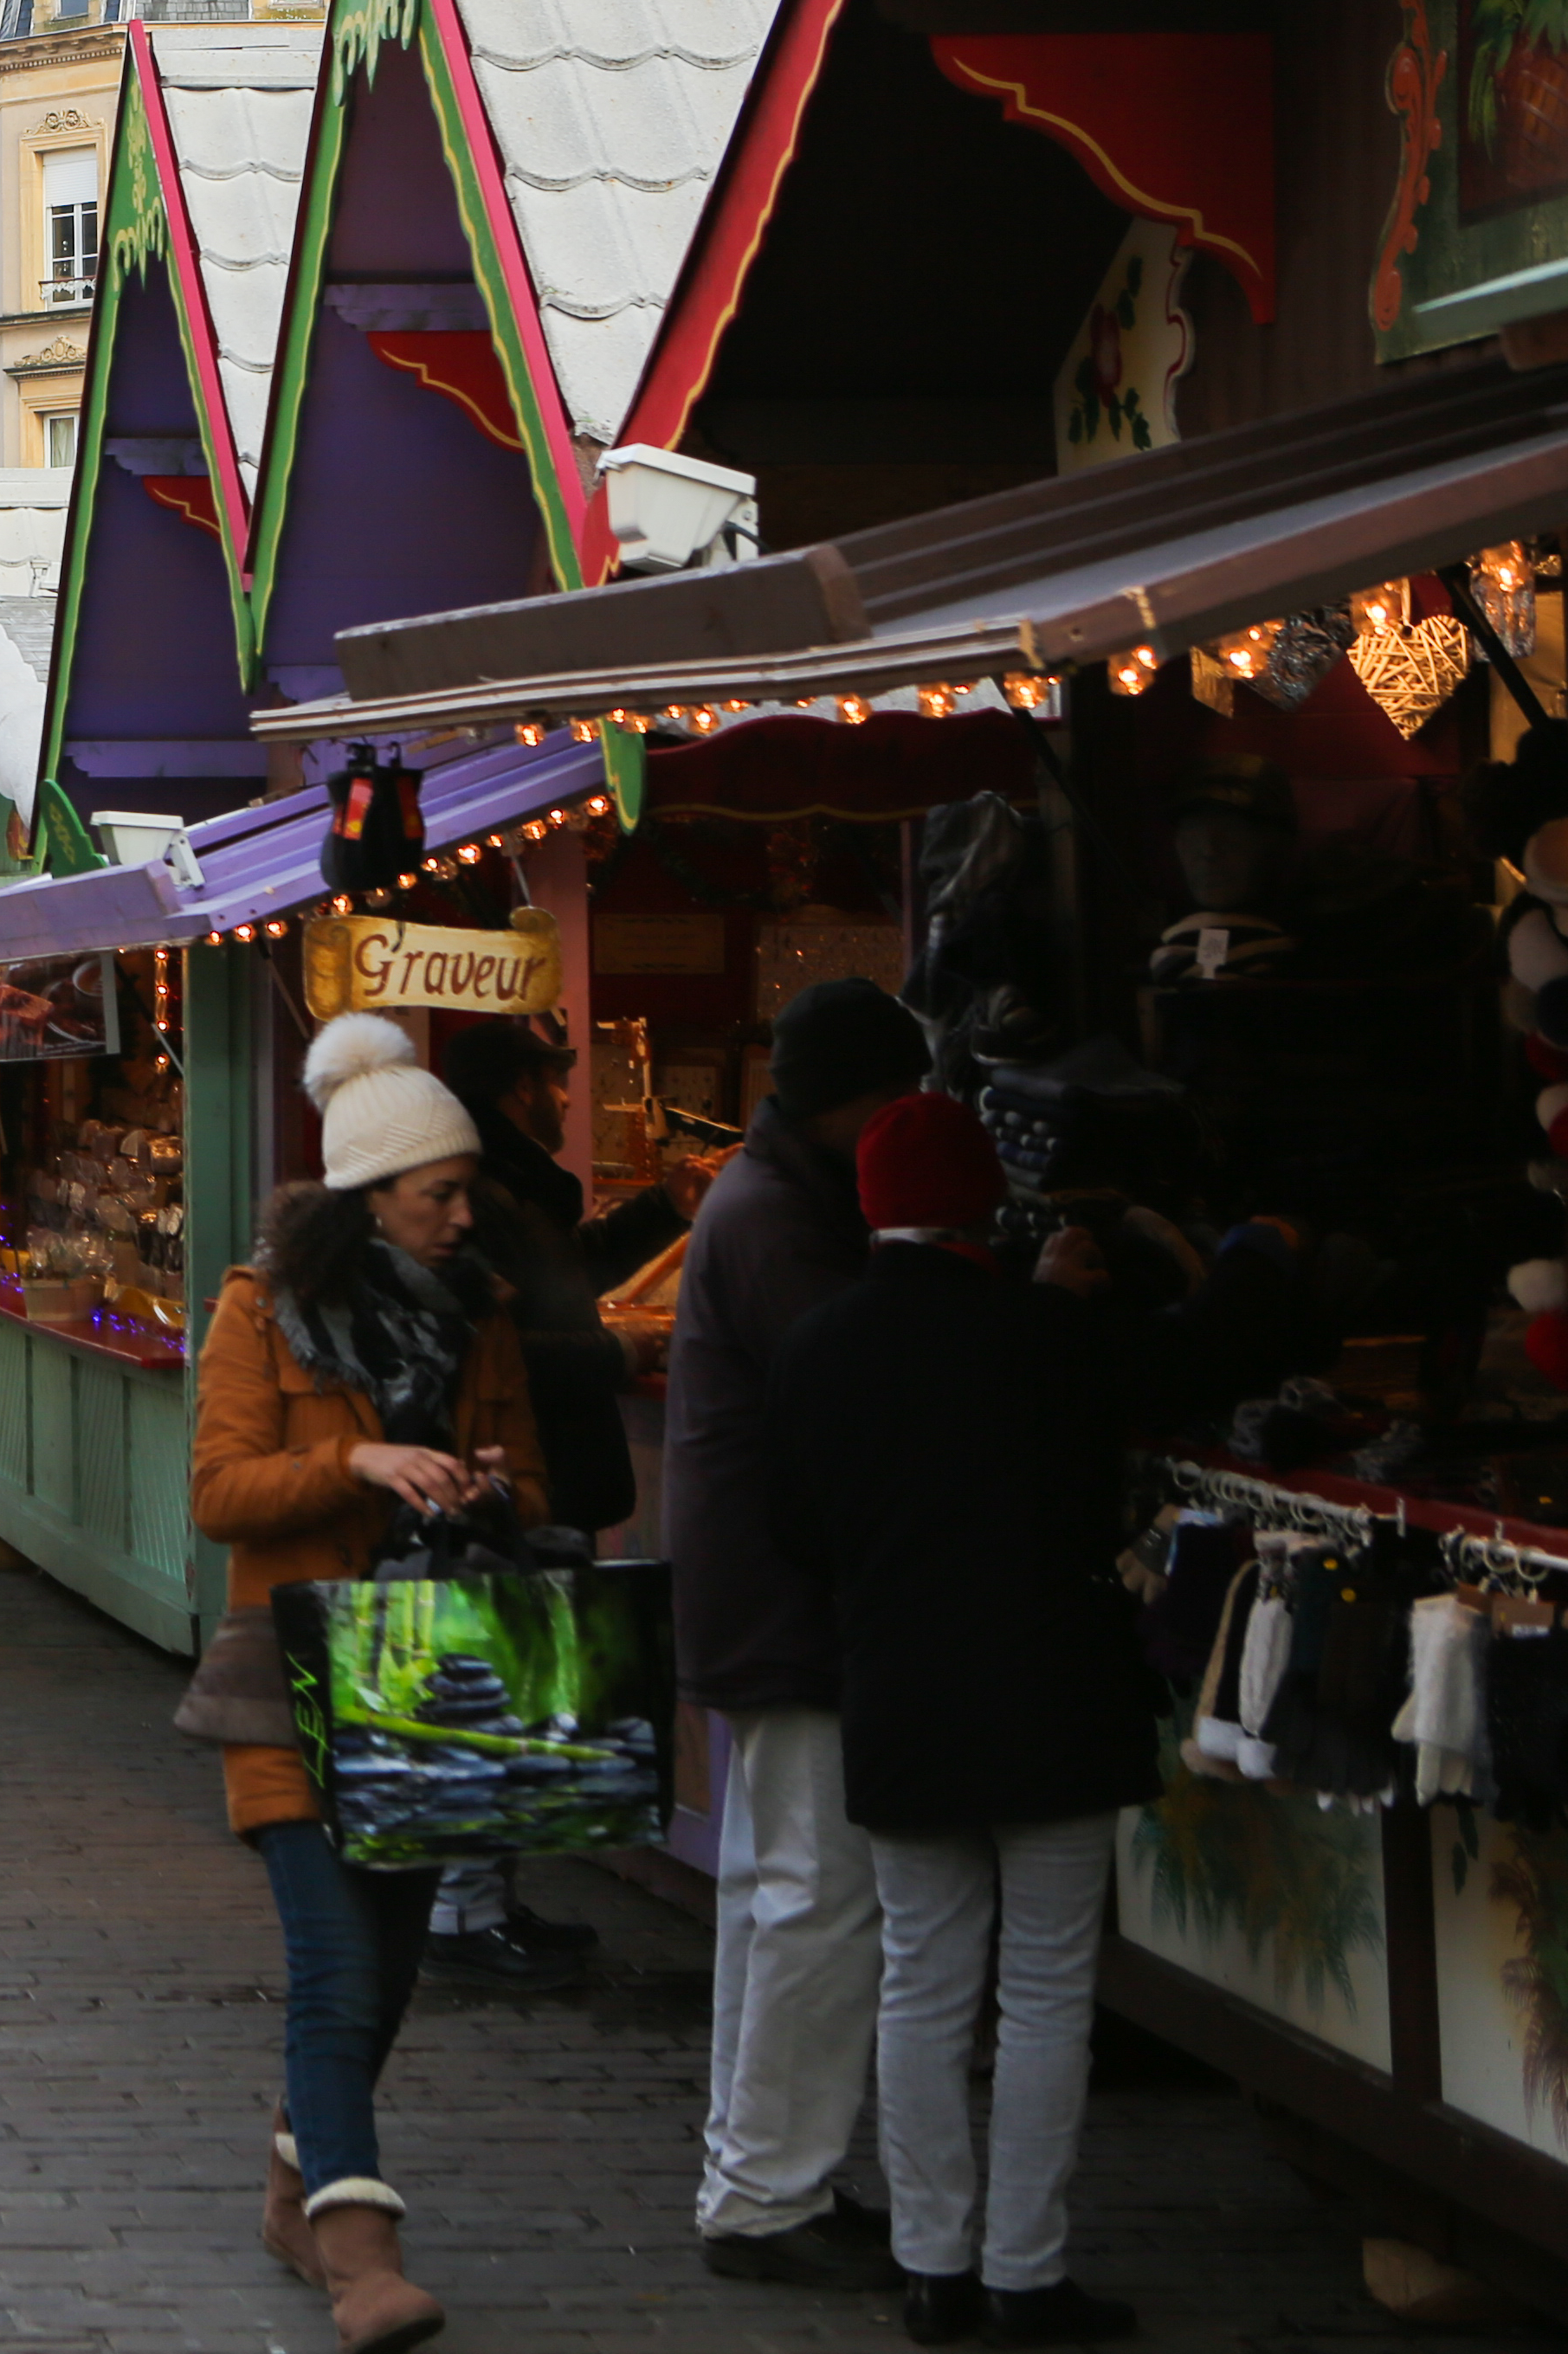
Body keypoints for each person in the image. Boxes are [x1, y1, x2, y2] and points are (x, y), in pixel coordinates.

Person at [185, 1014, 551, 2354]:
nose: (463, 1215)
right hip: (292, 1679)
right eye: (438, 1194)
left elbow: (538, 1480)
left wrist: (489, 1485)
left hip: (429, 1683)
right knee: (338, 1971)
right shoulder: (258, 1310)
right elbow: (222, 1491)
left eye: (466, 1193)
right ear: (369, 1198)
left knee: (389, 1975)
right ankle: (360, 2257)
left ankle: (294, 2191)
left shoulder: (480, 1316)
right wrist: (358, 1463)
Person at [774, 1095, 1155, 2348]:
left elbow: (801, 1539)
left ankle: (932, 2264)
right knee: (1047, 1992)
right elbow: (1103, 1486)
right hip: (1052, 1696)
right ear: (986, 1201)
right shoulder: (1048, 1335)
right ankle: (1024, 2271)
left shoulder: (820, 1345)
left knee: (924, 1986)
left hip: (903, 1698)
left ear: (876, 1210)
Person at [674, 977, 932, 2290]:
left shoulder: (772, 1197)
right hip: (788, 1602)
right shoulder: (781, 1218)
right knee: (813, 1902)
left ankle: (763, 2172)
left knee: (776, 1899)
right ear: (865, 1101)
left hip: (760, 1596)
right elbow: (856, 1392)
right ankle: (767, 2193)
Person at [421, 1019, 649, 1990]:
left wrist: (654, 1216)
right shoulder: (478, 1201)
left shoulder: (502, 1192)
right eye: (556, 1080)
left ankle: (484, 1901)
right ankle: (461, 1909)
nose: (566, 1097)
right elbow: (494, 1347)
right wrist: (612, 1354)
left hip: (528, 1481)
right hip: (501, 1489)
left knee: (515, 1700)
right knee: (495, 1698)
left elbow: (548, 1298)